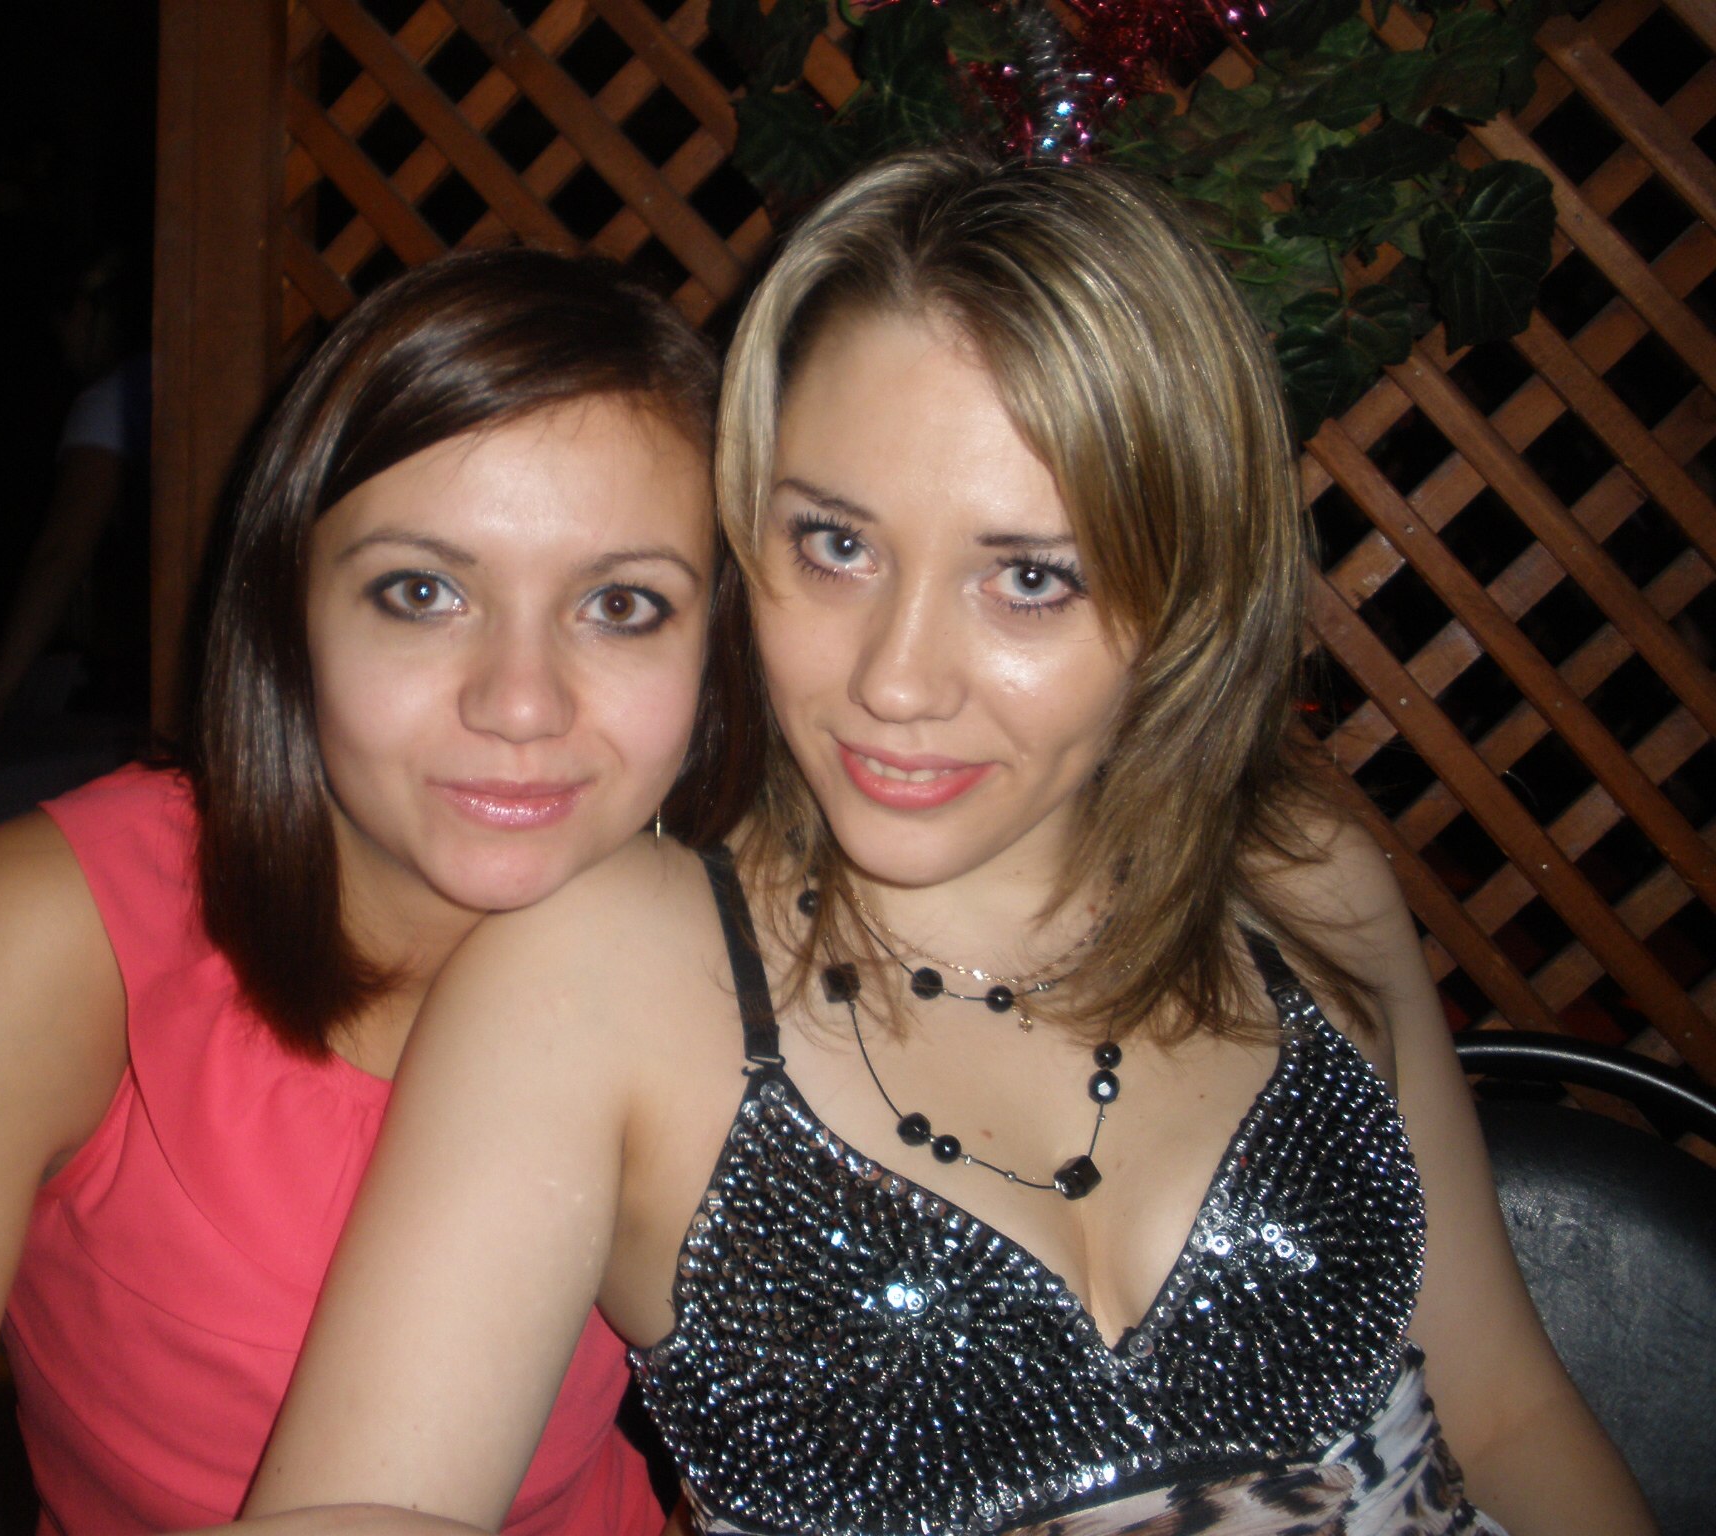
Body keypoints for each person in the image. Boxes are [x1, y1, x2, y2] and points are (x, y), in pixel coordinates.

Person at [224, 153, 1656, 1536]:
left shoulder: (1302, 878)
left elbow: (1506, 1413)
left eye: (1028, 576)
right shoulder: (596, 976)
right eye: (837, 546)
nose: (896, 681)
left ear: (1185, 589)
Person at [0, 247, 760, 1536]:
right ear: (286, 613)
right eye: (421, 592)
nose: (519, 704)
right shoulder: (60, 938)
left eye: (622, 604)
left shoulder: (728, 950)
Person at [0, 251, 154, 778]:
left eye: (59, 328)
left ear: (85, 312)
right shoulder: (199, 378)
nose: (62, 351)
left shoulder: (114, 399)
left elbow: (62, 552)